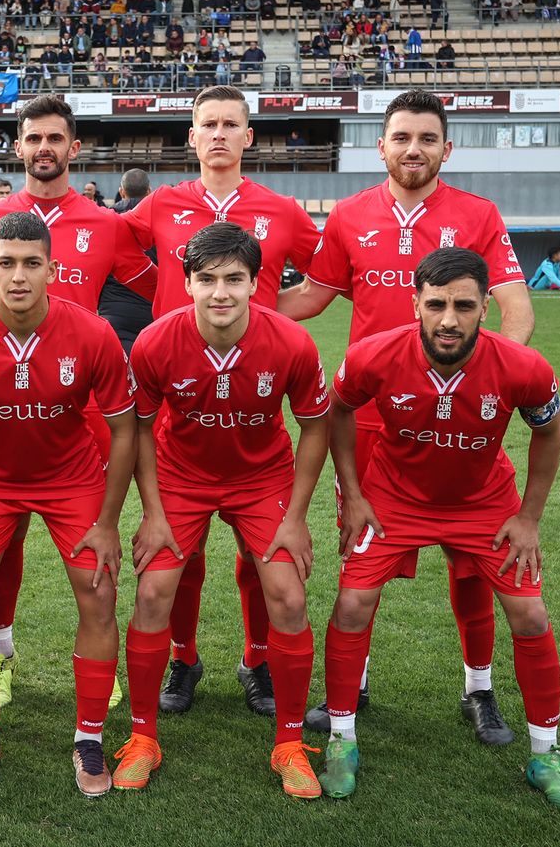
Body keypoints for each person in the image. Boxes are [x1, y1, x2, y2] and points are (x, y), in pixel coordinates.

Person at [277, 89, 535, 739]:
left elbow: (516, 307)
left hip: (456, 418)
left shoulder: (478, 214)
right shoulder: (350, 214)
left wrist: (494, 376)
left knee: (472, 561)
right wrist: (226, 310)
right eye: (401, 137)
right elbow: (310, 296)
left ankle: (479, 688)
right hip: (370, 419)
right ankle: (353, 686)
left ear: (447, 148)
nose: (413, 149)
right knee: (360, 555)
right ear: (381, 146)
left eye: (426, 138)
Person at [319, 247, 560, 813]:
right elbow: (337, 410)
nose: (449, 319)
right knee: (352, 603)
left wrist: (529, 518)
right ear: (415, 304)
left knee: (531, 614)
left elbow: (550, 430)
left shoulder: (522, 367)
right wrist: (354, 493)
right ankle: (341, 740)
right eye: (436, 304)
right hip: (394, 499)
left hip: (483, 501)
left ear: (485, 308)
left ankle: (546, 756)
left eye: (464, 306)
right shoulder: (373, 355)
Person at [0, 211, 138, 797]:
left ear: (52, 270)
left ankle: (89, 738)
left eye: (32, 264)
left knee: (99, 593)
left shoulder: (92, 333)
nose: (19, 276)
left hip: (72, 480)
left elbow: (125, 429)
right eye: (7, 264)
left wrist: (108, 522)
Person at [0, 95, 157, 712]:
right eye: (34, 138)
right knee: (0, 546)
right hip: (7, 402)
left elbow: (158, 287)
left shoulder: (107, 223)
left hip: (82, 405)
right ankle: (1, 654)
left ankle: (99, 664)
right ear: (18, 147)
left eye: (55, 138)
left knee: (94, 545)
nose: (44, 148)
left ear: (74, 147)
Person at [120, 84, 320, 718]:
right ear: (192, 137)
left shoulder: (281, 210)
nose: (219, 135)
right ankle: (183, 657)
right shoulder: (161, 202)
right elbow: (112, 247)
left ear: (248, 136)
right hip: (180, 390)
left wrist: (273, 315)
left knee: (260, 558)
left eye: (231, 124)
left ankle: (258, 659)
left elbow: (330, 272)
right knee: (181, 555)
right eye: (208, 124)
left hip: (254, 387)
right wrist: (162, 295)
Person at [113, 222, 330, 798]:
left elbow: (316, 427)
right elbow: (139, 427)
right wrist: (153, 512)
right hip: (181, 477)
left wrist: (295, 518)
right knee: (153, 591)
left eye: (235, 279)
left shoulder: (291, 343)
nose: (220, 292)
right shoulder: (156, 342)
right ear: (186, 283)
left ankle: (289, 744)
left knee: (288, 595)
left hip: (262, 478)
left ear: (256, 282)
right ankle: (143, 736)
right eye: (206, 279)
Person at [99, 168, 154, 356]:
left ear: (121, 191)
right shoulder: (161, 220)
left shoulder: (104, 219)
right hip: (153, 311)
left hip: (114, 311)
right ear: (149, 191)